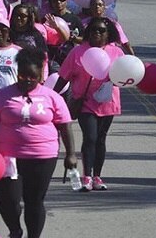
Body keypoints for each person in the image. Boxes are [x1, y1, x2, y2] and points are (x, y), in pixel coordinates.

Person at [0, 47, 77, 238]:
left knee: (34, 201)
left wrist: (71, 154)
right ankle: (15, 230)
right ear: (17, 73)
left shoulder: (52, 97)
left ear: (40, 74)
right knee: (8, 200)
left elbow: (65, 126)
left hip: (43, 157)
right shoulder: (1, 97)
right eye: (23, 75)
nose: (27, 80)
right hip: (8, 157)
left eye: (32, 76)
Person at [53, 17, 124, 192]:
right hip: (84, 102)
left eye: (101, 31)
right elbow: (63, 77)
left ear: (108, 34)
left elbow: (124, 76)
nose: (97, 34)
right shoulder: (78, 52)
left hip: (108, 102)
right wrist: (50, 97)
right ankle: (87, 176)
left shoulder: (116, 53)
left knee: (101, 139)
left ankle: (97, 176)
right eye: (93, 30)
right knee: (90, 137)